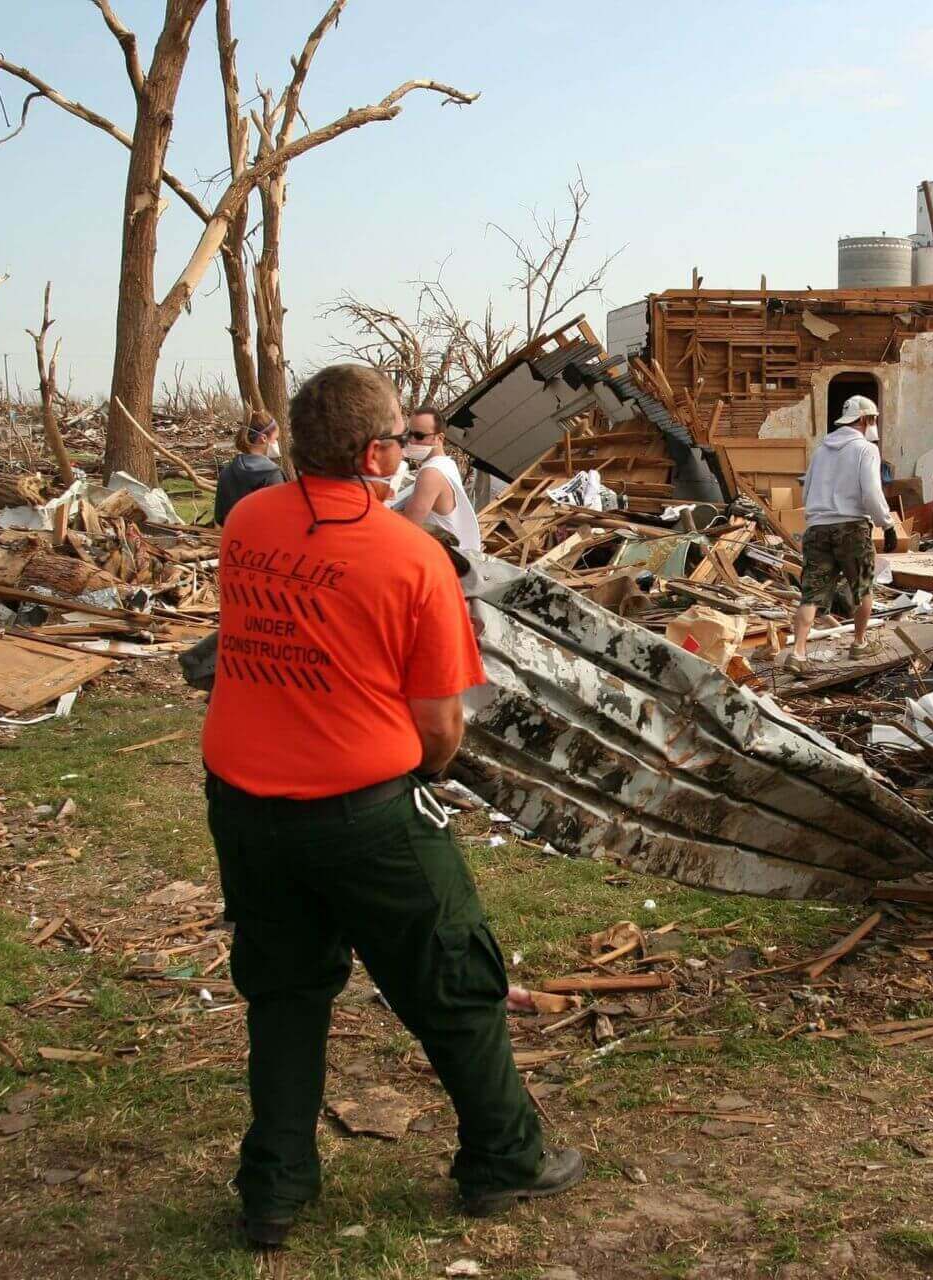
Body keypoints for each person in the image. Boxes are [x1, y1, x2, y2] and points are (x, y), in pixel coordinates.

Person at [201, 365, 581, 1247]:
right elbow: (440, 729)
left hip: (245, 806)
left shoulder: (248, 522)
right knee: (455, 978)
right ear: (377, 453)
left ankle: (274, 1190)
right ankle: (505, 1159)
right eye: (397, 447)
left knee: (285, 992)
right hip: (363, 810)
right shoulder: (411, 557)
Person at [786, 395, 895, 670]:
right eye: (873, 420)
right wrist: (887, 523)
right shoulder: (865, 449)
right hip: (852, 528)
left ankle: (797, 653)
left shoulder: (821, 450)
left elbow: (806, 488)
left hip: (817, 528)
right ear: (864, 419)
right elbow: (871, 491)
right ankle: (859, 643)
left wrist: (817, 515)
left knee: (811, 594)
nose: (874, 425)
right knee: (862, 588)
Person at [389, 406, 483, 555]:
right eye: (409, 433)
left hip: (445, 558)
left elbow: (407, 525)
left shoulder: (431, 473)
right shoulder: (447, 464)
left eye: (419, 436)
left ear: (439, 438)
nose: (411, 440)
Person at [214, 411, 285, 525]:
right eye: (275, 438)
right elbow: (281, 518)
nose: (276, 443)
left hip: (234, 539)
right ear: (263, 438)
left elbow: (220, 517)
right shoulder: (271, 474)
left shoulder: (226, 472)